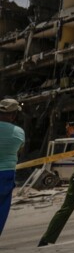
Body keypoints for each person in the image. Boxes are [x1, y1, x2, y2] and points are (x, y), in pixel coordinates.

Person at [0, 98, 25, 237]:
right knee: (1, 210)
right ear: (14, 115)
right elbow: (20, 150)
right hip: (7, 174)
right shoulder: (19, 132)